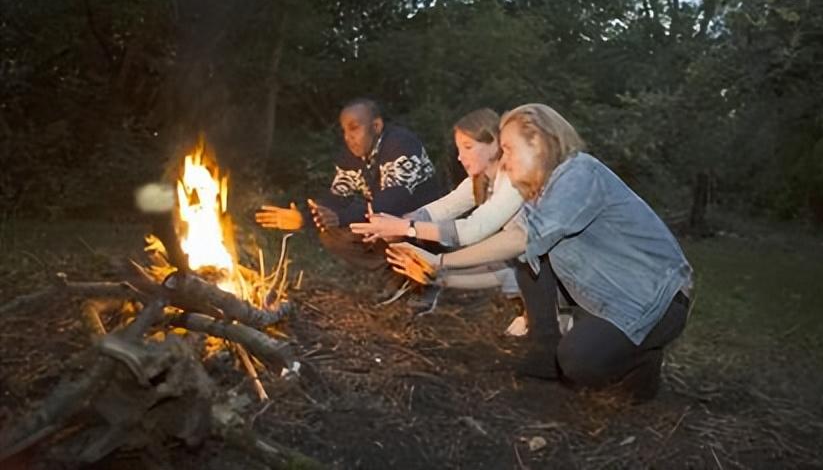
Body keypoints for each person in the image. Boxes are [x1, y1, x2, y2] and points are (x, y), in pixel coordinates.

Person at [387, 104, 693, 402]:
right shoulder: (542, 195)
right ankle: (608, 363)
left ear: (538, 140)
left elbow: (520, 239)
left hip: (656, 298)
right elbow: (509, 264)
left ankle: (642, 357)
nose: (504, 161)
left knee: (579, 361)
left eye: (508, 148)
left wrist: (441, 260)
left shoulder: (579, 174)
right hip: (607, 301)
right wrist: (439, 275)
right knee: (580, 357)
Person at [349, 108, 525, 316]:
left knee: (500, 263)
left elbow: (473, 230)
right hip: (526, 262)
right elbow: (445, 207)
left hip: (552, 265)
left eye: (468, 147)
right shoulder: (481, 180)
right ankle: (527, 307)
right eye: (459, 149)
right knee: (499, 267)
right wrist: (395, 223)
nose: (460, 157)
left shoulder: (514, 180)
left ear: (495, 144)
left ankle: (544, 310)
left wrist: (406, 228)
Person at [256, 98, 443, 289]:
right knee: (331, 234)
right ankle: (396, 271)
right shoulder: (351, 156)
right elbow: (337, 196)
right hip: (392, 226)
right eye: (344, 130)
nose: (348, 137)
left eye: (354, 128)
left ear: (376, 126)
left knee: (385, 225)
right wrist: (305, 217)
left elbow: (388, 206)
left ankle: (427, 275)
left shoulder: (401, 144)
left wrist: (340, 217)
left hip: (428, 229)